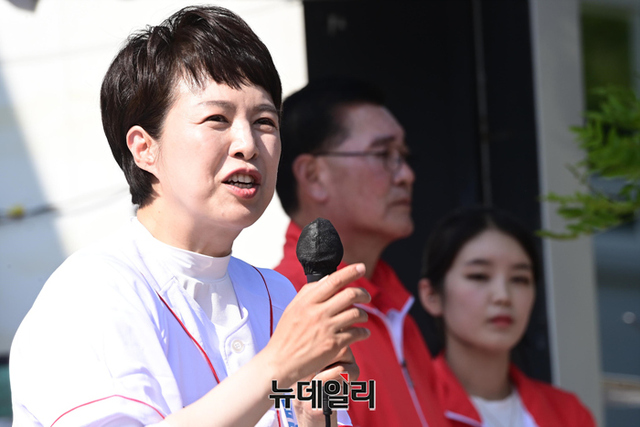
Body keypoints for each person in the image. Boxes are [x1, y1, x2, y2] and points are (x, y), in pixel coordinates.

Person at [9, 6, 371, 427]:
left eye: (264, 121)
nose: (248, 144)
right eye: (217, 118)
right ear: (144, 148)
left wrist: (311, 416)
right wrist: (277, 364)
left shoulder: (279, 296)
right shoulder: (92, 292)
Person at [274, 77, 449, 427]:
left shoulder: (396, 311)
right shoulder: (284, 305)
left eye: (403, 156)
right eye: (384, 155)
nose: (407, 175)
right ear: (313, 175)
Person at [418, 206, 596, 427]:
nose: (503, 296)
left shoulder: (568, 414)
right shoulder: (407, 401)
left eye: (519, 279)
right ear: (432, 296)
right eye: (479, 276)